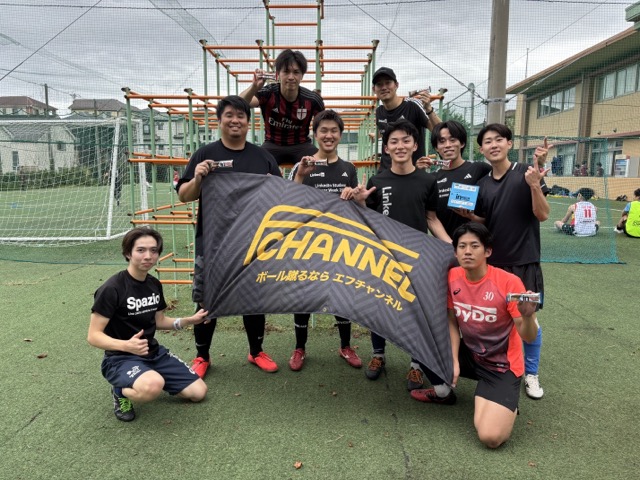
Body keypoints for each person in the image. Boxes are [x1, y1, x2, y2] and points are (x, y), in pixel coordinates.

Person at [176, 95, 282, 377]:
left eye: (241, 116)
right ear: (219, 120)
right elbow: (184, 196)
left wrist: (273, 187)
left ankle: (256, 351)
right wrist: (198, 178)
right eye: (229, 115)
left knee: (253, 298)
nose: (235, 120)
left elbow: (281, 198)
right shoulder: (204, 154)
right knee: (206, 299)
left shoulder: (263, 157)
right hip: (212, 243)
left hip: (251, 243)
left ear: (249, 122)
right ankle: (202, 356)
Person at [410, 223, 539, 449]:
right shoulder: (452, 276)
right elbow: (451, 320)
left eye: (474, 246)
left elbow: (528, 337)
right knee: (419, 333)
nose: (467, 251)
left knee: (490, 437)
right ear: (455, 252)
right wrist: (454, 360)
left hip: (501, 366)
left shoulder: (508, 282)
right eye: (462, 246)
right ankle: (443, 392)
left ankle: (502, 401)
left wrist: (528, 317)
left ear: (488, 251)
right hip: (471, 355)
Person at [350, 119, 452, 390]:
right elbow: (367, 220)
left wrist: (451, 246)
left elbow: (431, 218)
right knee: (378, 306)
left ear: (415, 145)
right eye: (393, 142)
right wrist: (361, 203)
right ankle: (378, 355)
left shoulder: (428, 181)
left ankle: (416, 366)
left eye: (406, 141)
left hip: (417, 258)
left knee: (417, 311)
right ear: (386, 148)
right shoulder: (377, 181)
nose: (400, 146)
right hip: (383, 259)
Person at [87, 227, 209, 422]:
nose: (148, 256)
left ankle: (150, 376)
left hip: (153, 353)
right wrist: (126, 345)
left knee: (198, 392)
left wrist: (188, 320)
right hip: (120, 358)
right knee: (153, 385)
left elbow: (159, 321)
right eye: (141, 250)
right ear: (128, 253)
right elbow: (93, 336)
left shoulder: (153, 284)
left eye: (153, 250)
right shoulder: (112, 288)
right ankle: (120, 391)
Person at [473, 124, 550, 400]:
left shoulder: (527, 173)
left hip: (523, 263)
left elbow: (543, 214)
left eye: (499, 140)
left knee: (527, 318)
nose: (493, 145)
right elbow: (485, 220)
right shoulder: (482, 185)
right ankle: (503, 369)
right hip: (494, 266)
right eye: (487, 141)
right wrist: (467, 216)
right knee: (496, 321)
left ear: (509, 143)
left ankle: (531, 374)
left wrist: (535, 185)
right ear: (481, 149)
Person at [287, 109, 362, 371]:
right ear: (315, 134)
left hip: (339, 244)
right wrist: (300, 175)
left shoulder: (348, 169)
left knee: (341, 295)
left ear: (340, 135)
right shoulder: (302, 165)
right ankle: (300, 347)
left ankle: (345, 345)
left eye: (334, 131)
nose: (329, 135)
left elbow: (357, 209)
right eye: (324, 131)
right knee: (303, 297)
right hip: (307, 244)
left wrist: (354, 196)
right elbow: (288, 202)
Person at [240, 49, 324, 165]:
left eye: (296, 72)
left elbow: (324, 125)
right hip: (272, 144)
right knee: (256, 164)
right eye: (286, 71)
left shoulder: (312, 99)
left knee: (319, 164)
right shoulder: (268, 93)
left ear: (302, 75)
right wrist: (254, 87)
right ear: (278, 74)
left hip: (302, 145)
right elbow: (240, 103)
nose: (291, 77)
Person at [422, 120, 491, 236]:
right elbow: (431, 218)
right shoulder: (431, 179)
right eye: (442, 141)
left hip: (477, 242)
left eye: (453, 140)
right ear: (436, 147)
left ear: (462, 143)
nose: (448, 145)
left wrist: (472, 217)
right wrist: (449, 243)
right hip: (445, 244)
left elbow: (494, 215)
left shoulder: (480, 169)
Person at [370, 67, 441, 172]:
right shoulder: (379, 111)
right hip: (387, 171)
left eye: (388, 83)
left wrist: (429, 109)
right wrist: (376, 135)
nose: (384, 87)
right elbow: (386, 132)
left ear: (396, 85)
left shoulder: (412, 105)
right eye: (379, 84)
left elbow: (439, 131)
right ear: (374, 89)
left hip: (412, 172)